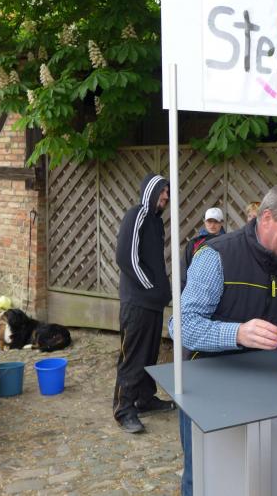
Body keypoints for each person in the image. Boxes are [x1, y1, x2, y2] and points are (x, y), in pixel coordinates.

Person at [169, 184, 277, 496]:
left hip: (269, 385)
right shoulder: (216, 256)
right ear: (267, 218)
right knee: (203, 477)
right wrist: (237, 333)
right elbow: (181, 326)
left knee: (260, 475)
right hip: (207, 386)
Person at [112, 173, 175, 434]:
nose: (166, 196)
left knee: (149, 355)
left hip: (153, 304)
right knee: (133, 357)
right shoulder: (136, 214)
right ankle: (123, 409)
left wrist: (161, 293)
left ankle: (144, 399)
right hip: (137, 303)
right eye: (162, 190)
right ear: (150, 191)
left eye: (168, 192)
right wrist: (150, 288)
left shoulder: (156, 223)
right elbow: (125, 257)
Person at [180, 207, 225, 290]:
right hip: (196, 289)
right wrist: (183, 289)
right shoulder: (193, 243)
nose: (212, 225)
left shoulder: (228, 243)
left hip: (220, 288)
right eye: (209, 221)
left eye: (216, 221)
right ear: (204, 221)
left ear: (222, 222)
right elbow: (184, 268)